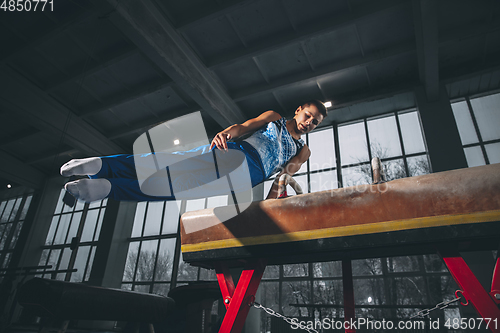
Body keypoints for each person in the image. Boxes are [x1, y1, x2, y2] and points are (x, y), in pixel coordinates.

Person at [60, 100, 327, 202]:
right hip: (240, 153)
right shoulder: (275, 117)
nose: (309, 123)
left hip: (248, 178)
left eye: (315, 122)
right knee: (169, 167)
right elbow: (244, 126)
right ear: (298, 110)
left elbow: (283, 177)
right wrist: (225, 133)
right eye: (308, 115)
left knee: (174, 185)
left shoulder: (303, 150)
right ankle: (103, 173)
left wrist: (270, 203)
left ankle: (103, 181)